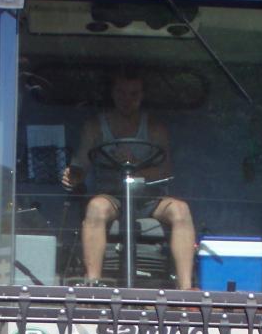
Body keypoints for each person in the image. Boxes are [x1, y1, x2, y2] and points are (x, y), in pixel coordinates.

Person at [61, 69, 196, 289]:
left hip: (149, 197)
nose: (127, 99)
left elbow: (165, 169)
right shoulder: (95, 127)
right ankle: (93, 283)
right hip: (111, 197)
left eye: (134, 94)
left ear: (142, 96)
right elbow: (81, 164)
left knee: (181, 210)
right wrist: (73, 175)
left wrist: (135, 170)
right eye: (121, 92)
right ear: (112, 93)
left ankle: (186, 290)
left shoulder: (155, 128)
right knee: (95, 207)